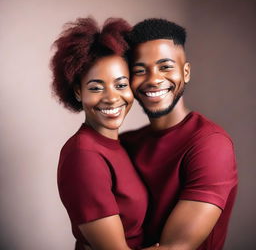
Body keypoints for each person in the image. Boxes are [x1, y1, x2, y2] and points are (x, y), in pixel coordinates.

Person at [121, 18, 238, 250]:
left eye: (165, 67)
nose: (154, 79)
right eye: (140, 70)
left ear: (186, 73)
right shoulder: (126, 143)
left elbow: (174, 247)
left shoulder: (210, 144)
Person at [51, 17, 157, 250]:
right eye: (96, 87)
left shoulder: (119, 146)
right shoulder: (84, 156)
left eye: (121, 85)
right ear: (78, 91)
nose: (111, 97)